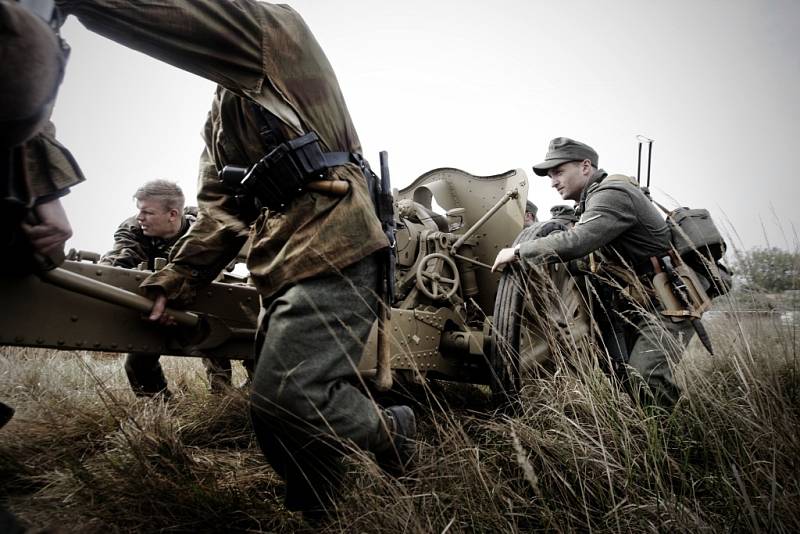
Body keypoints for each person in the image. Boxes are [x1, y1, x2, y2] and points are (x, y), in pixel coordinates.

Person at [55, 0, 416, 516]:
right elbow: (220, 213)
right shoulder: (219, 122)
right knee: (270, 413)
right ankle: (318, 507)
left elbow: (180, 16)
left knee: (289, 395)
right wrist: (177, 278)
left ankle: (393, 429)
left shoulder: (270, 30)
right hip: (279, 257)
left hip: (337, 239)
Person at [493, 137, 698, 408]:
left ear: (586, 167)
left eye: (559, 172)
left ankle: (678, 438)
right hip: (641, 299)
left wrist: (518, 252)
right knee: (623, 373)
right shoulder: (591, 202)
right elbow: (586, 261)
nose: (553, 181)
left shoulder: (612, 195)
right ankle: (648, 431)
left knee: (646, 376)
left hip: (670, 299)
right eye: (550, 175)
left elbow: (578, 241)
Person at [100, 179, 235, 397]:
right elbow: (121, 255)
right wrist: (106, 271)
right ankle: (160, 408)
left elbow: (218, 262)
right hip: (155, 304)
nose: (140, 217)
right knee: (137, 364)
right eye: (139, 211)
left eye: (148, 212)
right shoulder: (133, 229)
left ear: (173, 214)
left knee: (216, 350)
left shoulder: (205, 226)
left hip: (199, 299)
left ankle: (223, 401)